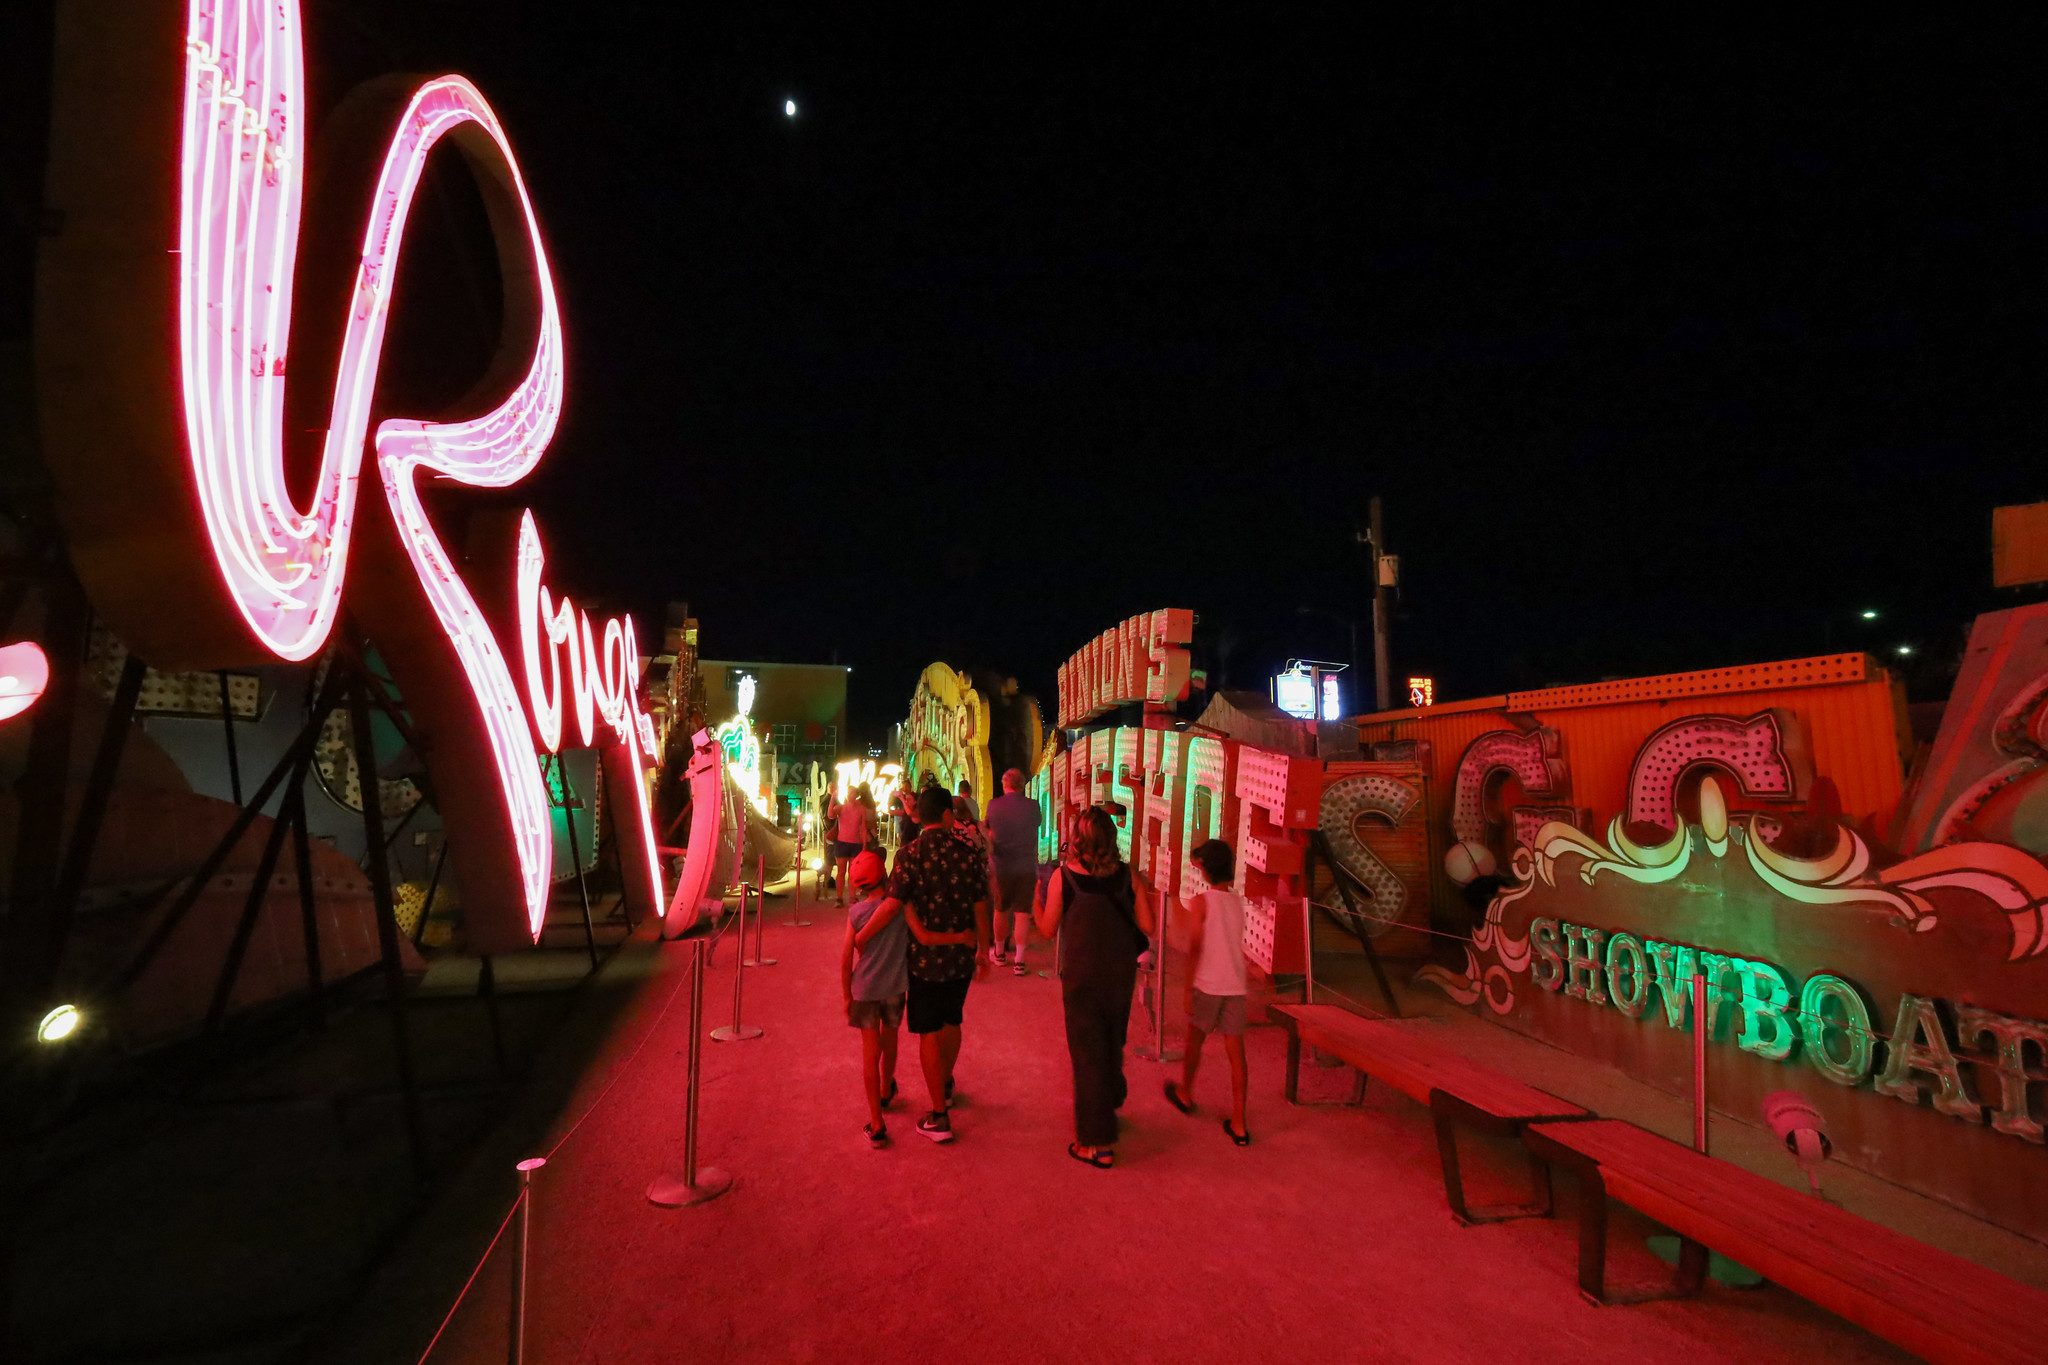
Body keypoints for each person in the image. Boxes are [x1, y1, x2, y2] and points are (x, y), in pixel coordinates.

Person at [858, 784, 989, 1143]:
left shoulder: (909, 854)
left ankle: (939, 1115)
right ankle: (945, 1085)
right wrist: (984, 949)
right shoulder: (968, 852)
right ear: (947, 815)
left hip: (924, 961)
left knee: (929, 1029)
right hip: (961, 956)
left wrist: (862, 935)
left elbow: (892, 903)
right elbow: (981, 904)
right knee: (952, 1019)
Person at [1034, 805, 1155, 1168]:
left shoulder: (1063, 877)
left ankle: (1096, 1143)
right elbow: (1147, 924)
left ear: (1078, 838)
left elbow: (1047, 929)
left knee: (1087, 1053)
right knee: (1112, 1038)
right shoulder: (1126, 876)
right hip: (1119, 973)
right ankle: (1109, 1102)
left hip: (1082, 975)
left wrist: (1033, 903)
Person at [1163, 839, 1251, 1145]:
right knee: (1236, 1054)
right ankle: (1239, 1122)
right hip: (1235, 985)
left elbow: (1196, 946)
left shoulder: (1202, 902)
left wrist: (1187, 987)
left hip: (1208, 984)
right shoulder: (1237, 902)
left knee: (1194, 1042)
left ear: (1205, 869)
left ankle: (1186, 1092)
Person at [841, 851, 906, 1147]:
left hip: (865, 991)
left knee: (870, 1049)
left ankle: (877, 1120)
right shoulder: (898, 907)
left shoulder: (856, 913)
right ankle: (886, 1088)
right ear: (884, 873)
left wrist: (846, 996)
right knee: (890, 1038)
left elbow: (845, 960)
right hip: (895, 986)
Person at [985, 768, 1040, 974]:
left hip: (1001, 866)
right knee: (1023, 913)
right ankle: (1019, 960)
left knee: (1000, 909)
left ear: (1004, 784)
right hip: (1025, 866)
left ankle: (999, 953)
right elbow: (1036, 825)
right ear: (1022, 785)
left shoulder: (994, 806)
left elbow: (988, 830)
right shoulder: (1033, 806)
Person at [830, 784, 876, 907]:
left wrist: (864, 845)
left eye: (853, 793)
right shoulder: (841, 808)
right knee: (841, 871)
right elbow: (830, 815)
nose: (851, 796)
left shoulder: (861, 809)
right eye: (849, 793)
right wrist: (832, 798)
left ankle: (852, 896)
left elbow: (863, 827)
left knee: (853, 871)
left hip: (856, 844)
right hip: (842, 843)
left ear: (857, 795)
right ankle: (839, 898)